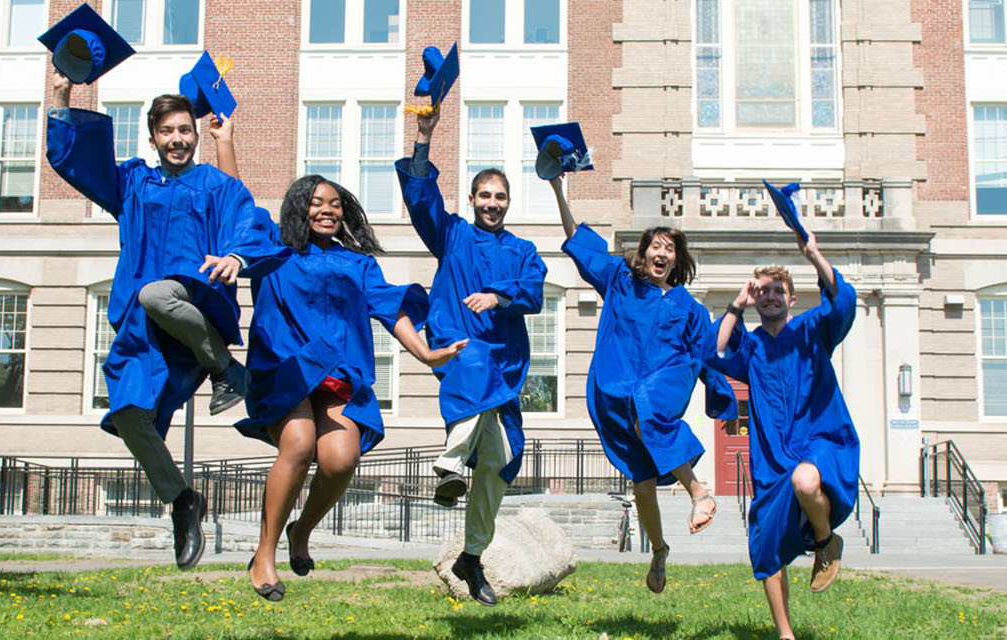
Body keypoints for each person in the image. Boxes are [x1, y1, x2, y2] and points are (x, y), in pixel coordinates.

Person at [45, 71, 289, 571]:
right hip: (145, 327)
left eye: (184, 130)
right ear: (153, 137)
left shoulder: (214, 184)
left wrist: (237, 259)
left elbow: (247, 220)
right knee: (129, 414)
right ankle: (181, 501)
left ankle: (225, 368)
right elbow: (77, 161)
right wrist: (62, 96)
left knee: (158, 292)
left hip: (194, 303)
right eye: (167, 132)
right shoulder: (133, 181)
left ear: (196, 135)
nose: (177, 139)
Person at [234, 174, 467, 602]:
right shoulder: (274, 249)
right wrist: (224, 141)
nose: (328, 210)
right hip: (287, 371)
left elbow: (389, 307)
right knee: (300, 443)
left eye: (336, 204)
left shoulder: (358, 264)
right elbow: (238, 199)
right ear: (300, 206)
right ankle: (263, 556)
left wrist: (425, 353)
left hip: (338, 376)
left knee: (342, 460)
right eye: (318, 202)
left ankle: (299, 531)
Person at [547, 175, 735, 594]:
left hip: (663, 386)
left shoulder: (688, 307)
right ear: (644, 251)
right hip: (619, 389)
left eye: (670, 249)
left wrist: (720, 391)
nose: (661, 253)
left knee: (648, 405)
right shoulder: (620, 280)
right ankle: (659, 552)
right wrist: (560, 191)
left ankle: (699, 492)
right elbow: (580, 240)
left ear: (677, 259)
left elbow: (706, 353)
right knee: (642, 486)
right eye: (656, 246)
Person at [394, 107, 548, 607]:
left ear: (509, 201)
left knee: (503, 460)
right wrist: (424, 134)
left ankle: (473, 555)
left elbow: (533, 293)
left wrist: (498, 297)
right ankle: (449, 464)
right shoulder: (453, 233)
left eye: (500, 197)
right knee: (476, 368)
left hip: (505, 364)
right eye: (485, 195)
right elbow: (421, 200)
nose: (493, 204)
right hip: (460, 347)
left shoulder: (523, 249)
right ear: (472, 198)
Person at [705, 233, 859, 640]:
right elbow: (713, 352)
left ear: (792, 299)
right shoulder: (751, 346)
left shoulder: (811, 330)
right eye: (763, 292)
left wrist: (812, 254)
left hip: (819, 439)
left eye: (779, 291)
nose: (770, 296)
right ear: (756, 300)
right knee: (767, 547)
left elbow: (843, 302)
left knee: (806, 481)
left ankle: (825, 542)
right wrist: (737, 302)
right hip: (771, 459)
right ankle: (785, 634)